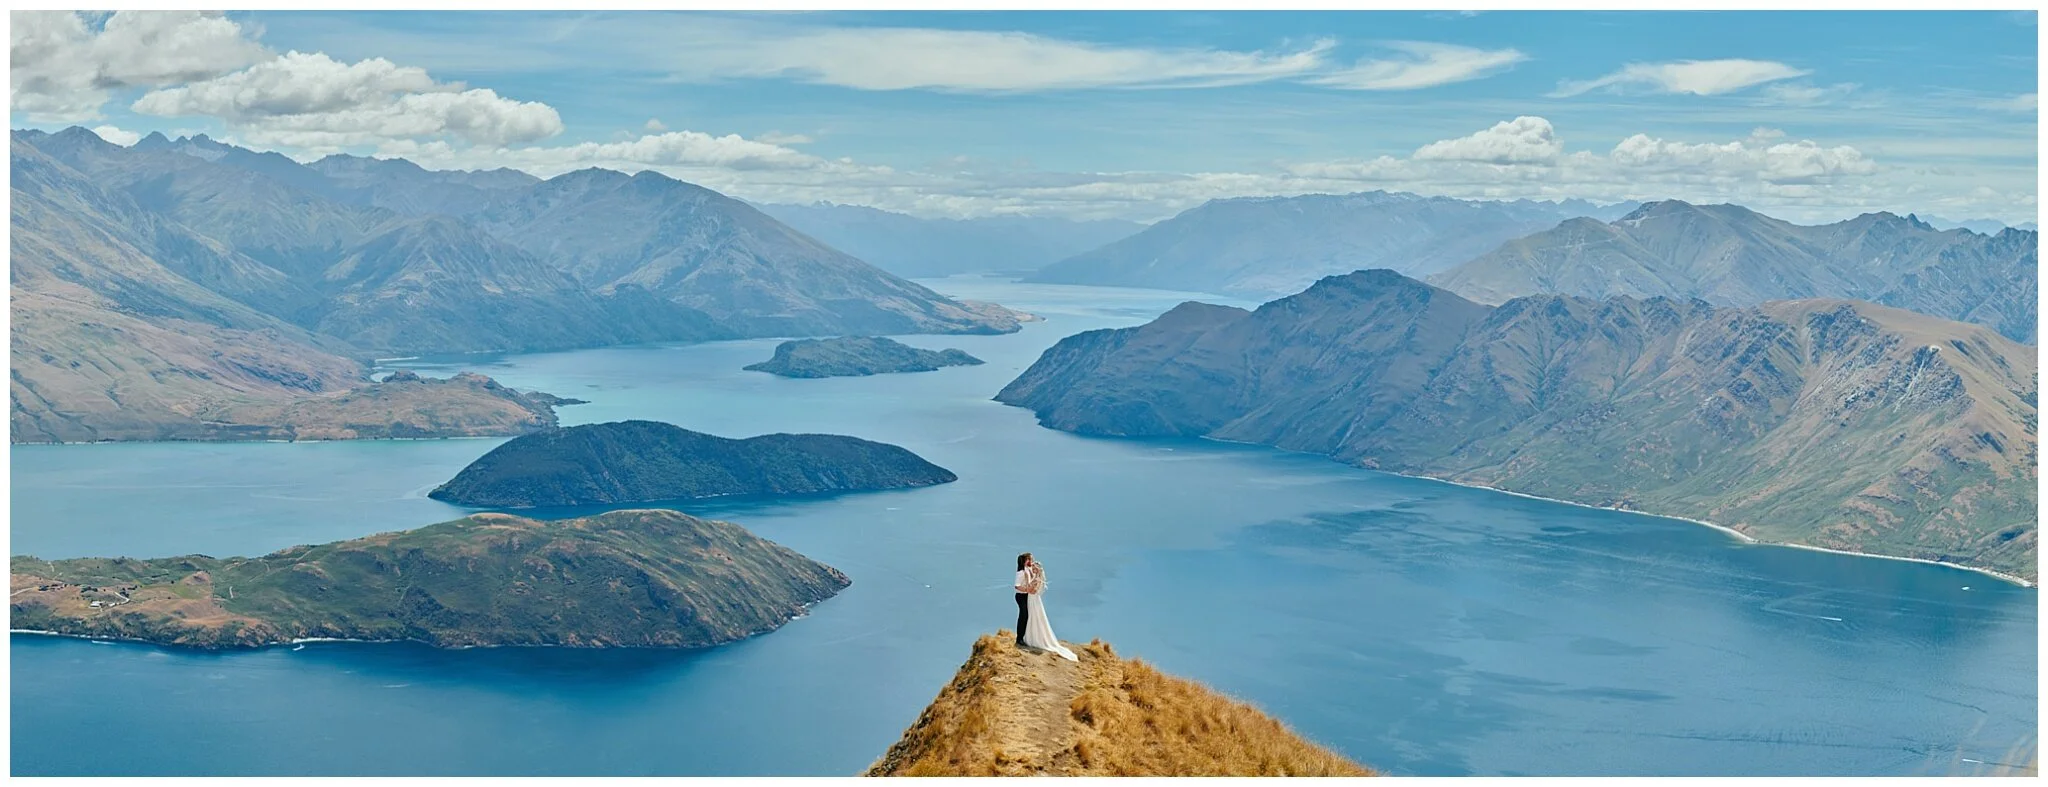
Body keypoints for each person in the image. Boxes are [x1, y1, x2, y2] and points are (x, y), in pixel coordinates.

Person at [1013, 552, 1077, 661]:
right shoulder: (1021, 572)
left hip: (1028, 596)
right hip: (1021, 596)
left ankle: (1024, 637)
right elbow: (1017, 586)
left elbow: (1032, 581)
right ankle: (1019, 638)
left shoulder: (1028, 570)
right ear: (1025, 560)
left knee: (1028, 616)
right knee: (1023, 615)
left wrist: (1035, 575)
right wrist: (1027, 589)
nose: (1031, 562)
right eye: (1029, 559)